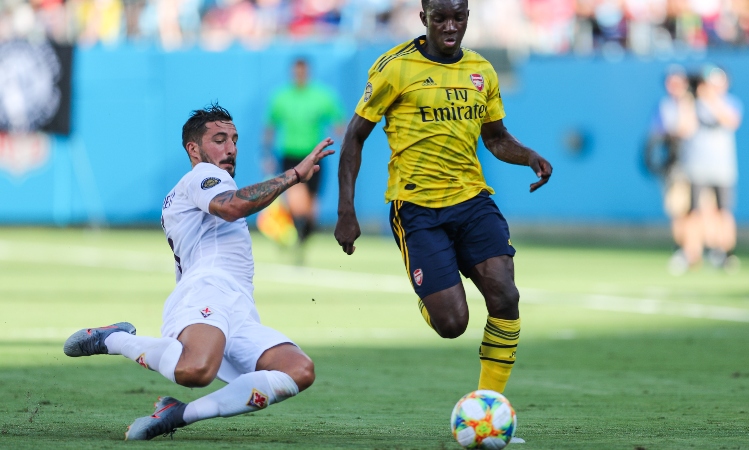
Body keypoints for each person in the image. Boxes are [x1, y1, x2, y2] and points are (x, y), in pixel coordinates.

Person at [63, 104, 334, 440]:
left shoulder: (197, 186)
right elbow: (233, 206)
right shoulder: (203, 176)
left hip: (238, 303)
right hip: (208, 289)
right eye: (219, 139)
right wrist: (293, 175)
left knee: (298, 370)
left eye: (234, 139)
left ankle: (178, 414)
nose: (231, 148)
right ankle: (114, 339)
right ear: (194, 149)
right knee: (195, 370)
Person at [334, 0, 552, 412]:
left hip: (472, 201)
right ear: (424, 19)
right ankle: (429, 289)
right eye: (441, 18)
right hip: (417, 207)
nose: (451, 26)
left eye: (459, 17)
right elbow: (355, 138)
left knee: (505, 295)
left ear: (468, 17)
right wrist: (347, 209)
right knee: (452, 324)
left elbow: (496, 137)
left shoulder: (481, 71)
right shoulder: (393, 68)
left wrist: (529, 156)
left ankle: (489, 405)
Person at [262, 57, 345, 252]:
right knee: (297, 203)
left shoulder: (322, 96)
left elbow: (339, 123)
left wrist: (348, 146)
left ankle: (301, 237)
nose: (299, 74)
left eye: (303, 71)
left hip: (315, 156)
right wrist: (266, 154)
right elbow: (270, 127)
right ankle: (293, 235)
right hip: (290, 155)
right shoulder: (281, 97)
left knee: (311, 210)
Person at [680, 65, 742, 271]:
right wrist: (689, 101)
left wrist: (711, 98)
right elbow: (685, 129)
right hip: (697, 165)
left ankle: (726, 253)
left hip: (722, 167)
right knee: (693, 211)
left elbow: (731, 121)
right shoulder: (692, 104)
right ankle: (691, 254)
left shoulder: (729, 102)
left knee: (723, 211)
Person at [644, 65, 698, 275]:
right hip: (674, 165)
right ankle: (682, 249)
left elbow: (688, 128)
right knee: (678, 209)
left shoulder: (692, 104)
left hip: (697, 164)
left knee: (696, 210)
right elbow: (660, 132)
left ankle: (695, 252)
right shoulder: (665, 106)